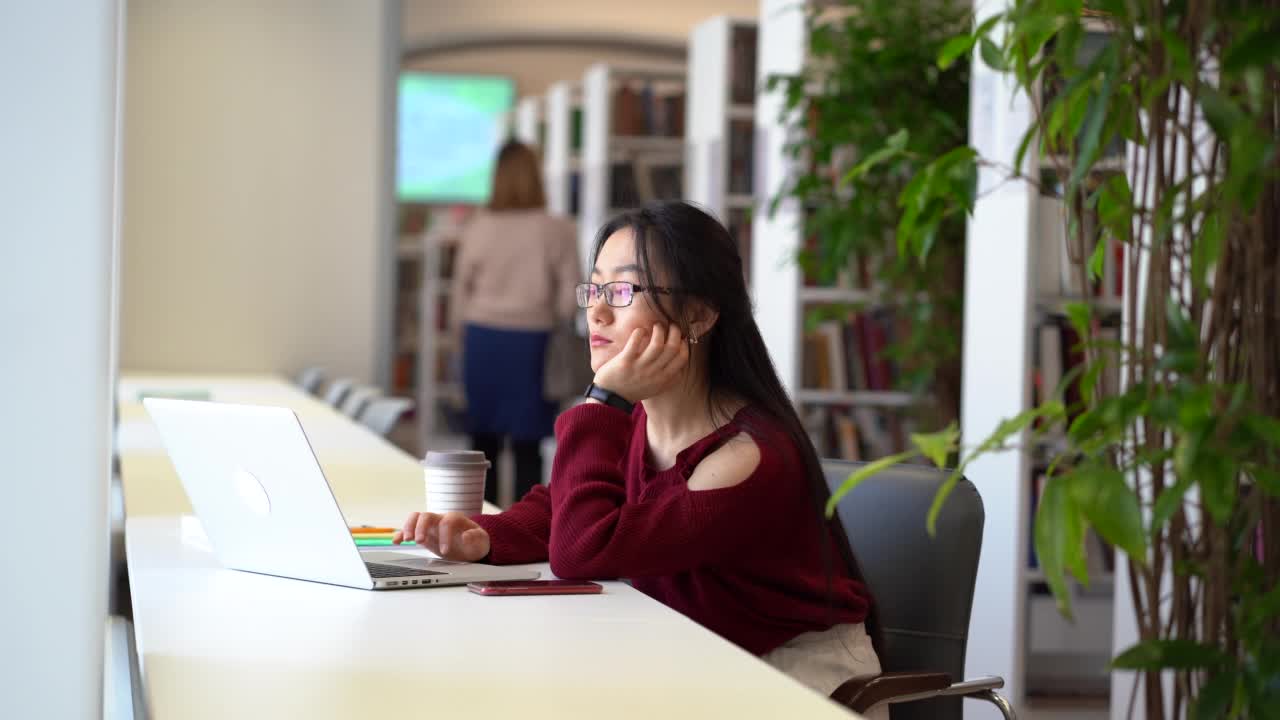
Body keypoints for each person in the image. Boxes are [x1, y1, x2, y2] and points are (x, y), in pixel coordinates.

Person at [403, 201, 885, 709]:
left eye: (624, 290)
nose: (597, 311)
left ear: (699, 314)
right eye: (594, 288)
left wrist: (602, 401)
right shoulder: (643, 422)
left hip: (795, 683)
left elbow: (581, 550)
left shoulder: (743, 457)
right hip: (705, 662)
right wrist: (485, 538)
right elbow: (562, 507)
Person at [449, 140, 580, 506]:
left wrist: (460, 340)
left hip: (483, 341)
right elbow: (571, 296)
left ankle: (479, 523)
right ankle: (525, 524)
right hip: (532, 343)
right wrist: (551, 316)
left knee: (481, 444)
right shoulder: (557, 229)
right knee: (528, 445)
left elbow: (461, 294)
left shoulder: (478, 227)